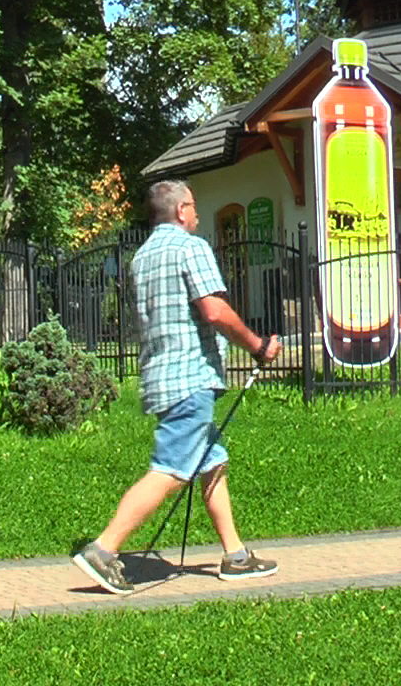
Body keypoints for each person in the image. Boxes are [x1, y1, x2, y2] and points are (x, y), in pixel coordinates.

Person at [72, 180, 281, 595]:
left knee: (211, 459)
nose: (198, 215)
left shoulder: (143, 256)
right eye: (195, 208)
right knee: (170, 469)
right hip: (191, 378)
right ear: (182, 210)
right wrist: (257, 346)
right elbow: (214, 310)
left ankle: (236, 556)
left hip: (161, 375)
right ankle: (104, 549)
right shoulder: (192, 247)